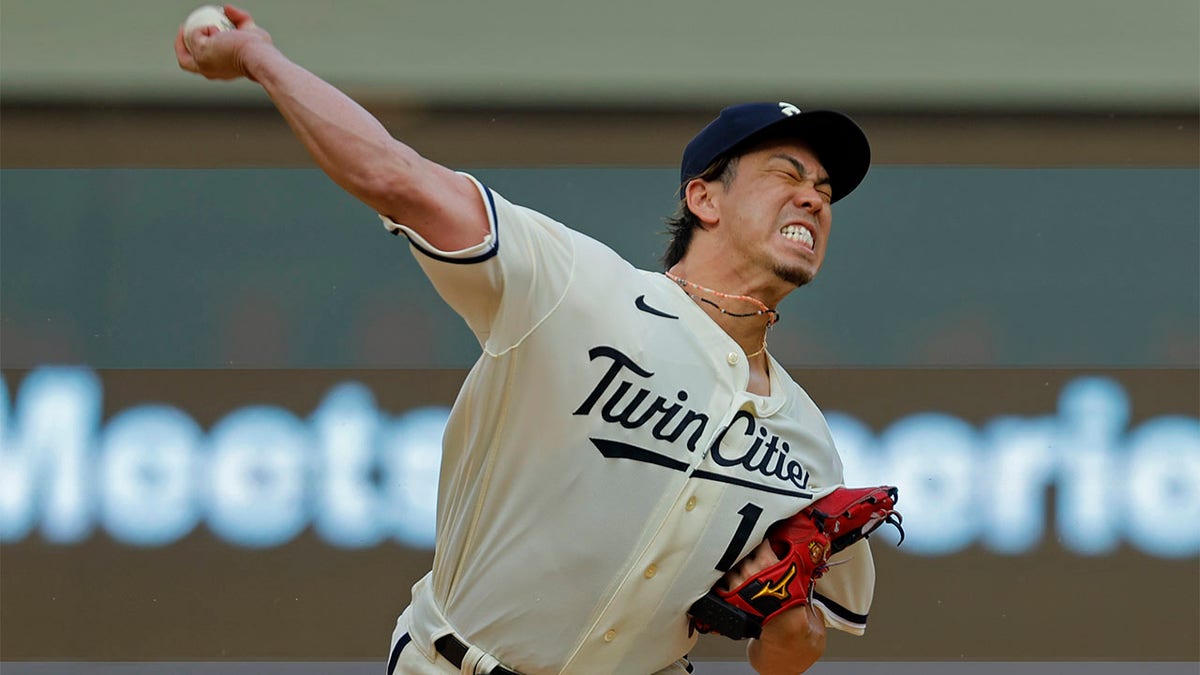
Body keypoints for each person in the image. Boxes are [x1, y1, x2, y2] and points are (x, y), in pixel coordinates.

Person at [176, 6, 879, 674]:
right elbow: (392, 174)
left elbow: (786, 653)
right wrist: (258, 57)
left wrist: (789, 623)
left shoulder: (809, 445)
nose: (814, 198)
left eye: (823, 188)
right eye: (785, 174)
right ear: (704, 198)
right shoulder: (576, 286)